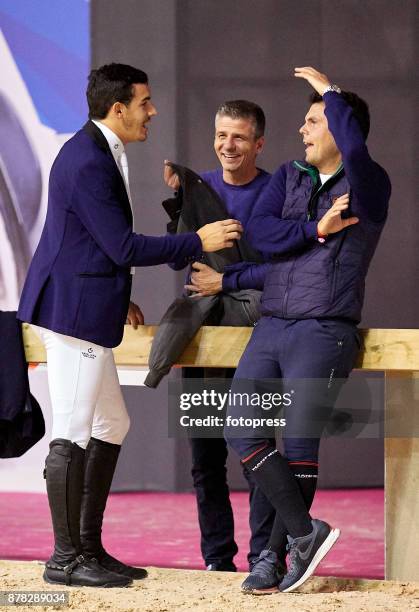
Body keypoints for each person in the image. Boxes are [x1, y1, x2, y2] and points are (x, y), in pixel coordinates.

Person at [17, 63, 242, 588]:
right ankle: (65, 559)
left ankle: (88, 549)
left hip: (88, 303)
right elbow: (122, 245)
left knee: (111, 425)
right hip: (72, 314)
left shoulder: (97, 150)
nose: (153, 111)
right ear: (118, 108)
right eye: (145, 103)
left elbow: (87, 241)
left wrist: (118, 297)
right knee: (71, 433)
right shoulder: (87, 160)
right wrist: (198, 240)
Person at [223, 66, 391, 594]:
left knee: (298, 449)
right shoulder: (290, 176)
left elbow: (357, 153)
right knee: (240, 430)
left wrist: (332, 93)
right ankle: (304, 532)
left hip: (324, 330)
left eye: (313, 120)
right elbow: (265, 235)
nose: (303, 130)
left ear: (340, 130)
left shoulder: (369, 183)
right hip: (272, 325)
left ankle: (272, 561)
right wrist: (316, 229)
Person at [163, 100, 275, 572]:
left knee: (259, 453)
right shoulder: (200, 186)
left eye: (239, 138)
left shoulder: (278, 191)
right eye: (221, 136)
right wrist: (181, 203)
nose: (228, 146)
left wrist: (224, 281)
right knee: (206, 456)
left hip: (257, 340)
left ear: (258, 144)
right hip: (204, 339)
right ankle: (216, 560)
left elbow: (287, 270)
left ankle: (265, 556)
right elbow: (175, 259)